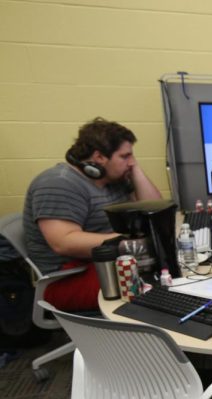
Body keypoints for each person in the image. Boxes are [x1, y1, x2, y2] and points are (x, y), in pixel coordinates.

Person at [22, 117, 162, 311]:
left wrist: (134, 168)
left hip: (108, 263)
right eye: (125, 156)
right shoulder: (58, 183)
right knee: (158, 285)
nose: (131, 162)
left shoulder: (114, 178)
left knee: (169, 271)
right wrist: (131, 242)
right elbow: (64, 242)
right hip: (67, 278)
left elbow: (154, 208)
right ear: (99, 158)